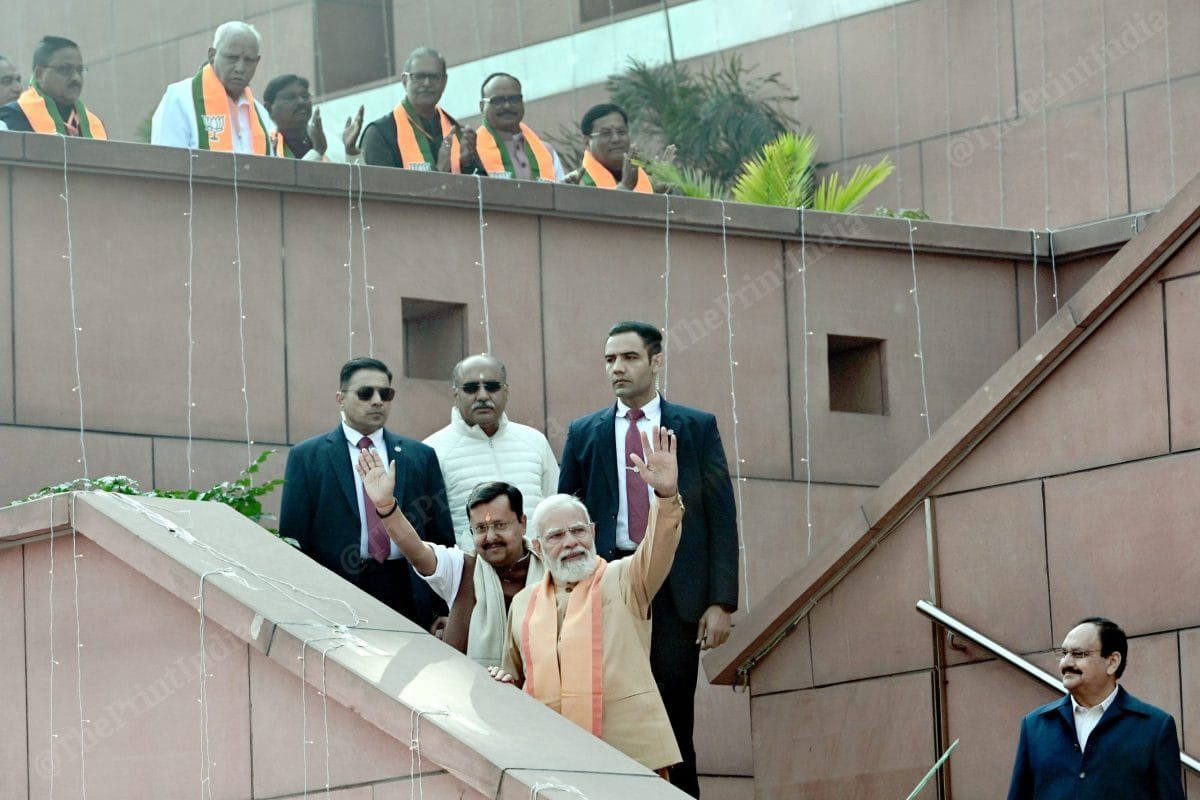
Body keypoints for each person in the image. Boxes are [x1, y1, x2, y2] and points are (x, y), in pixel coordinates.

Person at [558, 320, 738, 798]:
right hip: (607, 586)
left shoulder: (696, 427)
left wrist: (722, 601)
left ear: (657, 361)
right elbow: (565, 515)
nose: (617, 368)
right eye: (610, 359)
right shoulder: (584, 432)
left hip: (678, 595)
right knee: (606, 712)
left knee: (673, 718)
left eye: (629, 357)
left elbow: (721, 514)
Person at [497, 425, 683, 774]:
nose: (571, 542)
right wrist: (501, 680)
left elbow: (661, 544)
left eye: (579, 530)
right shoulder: (523, 603)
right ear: (537, 547)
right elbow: (514, 678)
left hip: (630, 756)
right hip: (550, 761)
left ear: (593, 533)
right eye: (556, 535)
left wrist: (666, 495)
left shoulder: (625, 578)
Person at [279, 357, 456, 630]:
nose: (377, 401)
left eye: (385, 394)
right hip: (338, 589)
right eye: (365, 393)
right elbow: (294, 538)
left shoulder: (419, 455)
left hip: (408, 587)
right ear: (340, 399)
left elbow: (440, 535)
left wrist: (441, 607)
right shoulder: (308, 456)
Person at [353, 466, 542, 667]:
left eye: (500, 525)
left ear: (522, 523)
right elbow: (417, 551)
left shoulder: (549, 567)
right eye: (481, 528)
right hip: (475, 691)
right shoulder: (462, 568)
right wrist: (386, 506)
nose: (490, 537)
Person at [1006, 617, 1185, 800]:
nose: (1065, 663)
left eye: (1079, 654)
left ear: (1112, 662)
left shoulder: (1154, 728)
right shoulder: (1035, 726)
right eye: (1063, 653)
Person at [424, 354, 559, 551]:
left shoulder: (534, 441)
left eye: (492, 386)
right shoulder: (433, 450)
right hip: (472, 573)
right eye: (471, 388)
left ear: (506, 391)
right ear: (455, 395)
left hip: (538, 568)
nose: (482, 396)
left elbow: (554, 505)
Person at [150, 21, 272, 154]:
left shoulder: (262, 115)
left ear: (257, 61)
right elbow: (166, 162)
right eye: (232, 57)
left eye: (248, 60)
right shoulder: (179, 99)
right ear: (212, 55)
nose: (240, 68)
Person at [360, 46, 482, 173]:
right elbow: (379, 188)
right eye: (418, 77)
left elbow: (478, 189)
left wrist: (467, 164)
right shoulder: (380, 133)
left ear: (444, 82)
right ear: (404, 81)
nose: (427, 83)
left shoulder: (457, 132)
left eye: (434, 77)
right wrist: (439, 171)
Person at [0, 37, 106, 138]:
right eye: (65, 69)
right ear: (40, 74)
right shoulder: (13, 116)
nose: (75, 78)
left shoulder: (94, 124)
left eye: (79, 70)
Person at [472, 72, 563, 182]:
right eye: (498, 101)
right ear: (482, 107)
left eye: (514, 99)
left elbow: (561, 194)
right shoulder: (472, 150)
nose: (507, 106)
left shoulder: (547, 152)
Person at [262, 73, 363, 162]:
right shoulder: (264, 146)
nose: (301, 102)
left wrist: (351, 152)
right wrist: (317, 152)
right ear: (269, 108)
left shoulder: (332, 142)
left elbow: (357, 182)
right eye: (291, 97)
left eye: (305, 96)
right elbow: (285, 182)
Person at [563, 103, 652, 192]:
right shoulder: (574, 184)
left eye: (621, 132)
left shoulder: (648, 176)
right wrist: (625, 187)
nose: (616, 139)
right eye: (606, 133)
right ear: (586, 142)